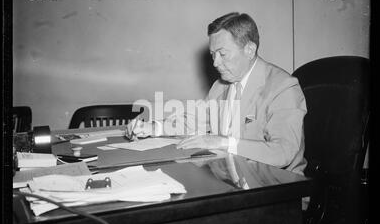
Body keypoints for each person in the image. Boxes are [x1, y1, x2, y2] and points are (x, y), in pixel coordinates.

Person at [128, 12, 307, 175]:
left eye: (222, 54)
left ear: (249, 50)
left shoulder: (283, 87)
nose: (215, 63)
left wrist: (222, 142)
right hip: (231, 178)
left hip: (277, 188)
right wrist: (154, 128)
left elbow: (283, 152)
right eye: (213, 54)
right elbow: (194, 122)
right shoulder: (221, 85)